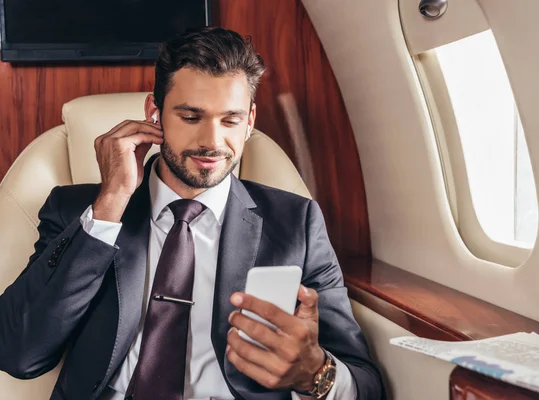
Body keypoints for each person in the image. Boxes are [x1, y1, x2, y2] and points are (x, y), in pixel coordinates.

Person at [0, 28, 384, 400]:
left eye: (230, 120)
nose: (212, 142)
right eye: (190, 117)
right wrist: (110, 204)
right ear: (155, 112)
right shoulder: (76, 211)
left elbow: (366, 383)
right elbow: (19, 352)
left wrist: (315, 376)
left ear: (249, 121)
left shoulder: (297, 223)